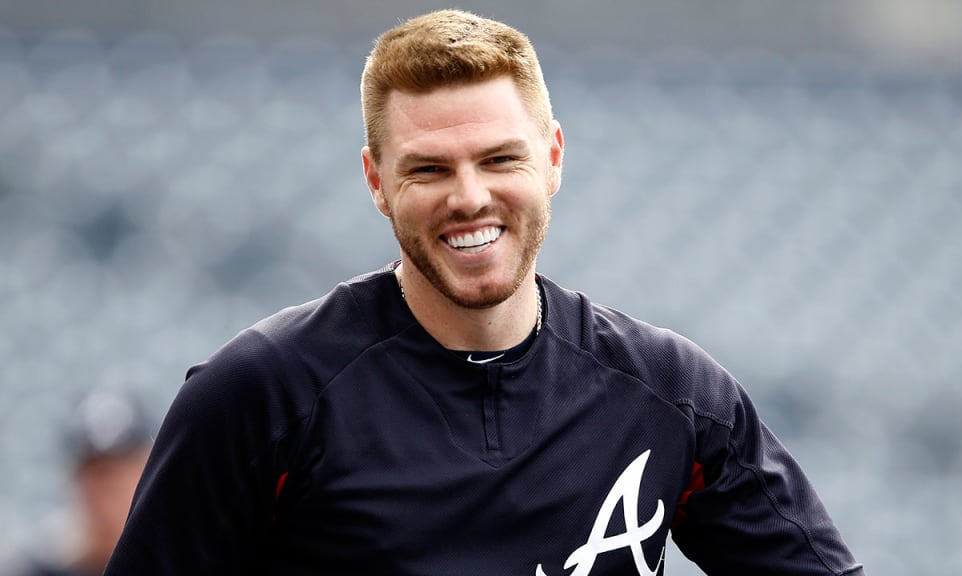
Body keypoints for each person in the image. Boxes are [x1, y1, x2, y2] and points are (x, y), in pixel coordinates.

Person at [105, 9, 863, 576]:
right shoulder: (262, 396)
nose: (470, 198)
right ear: (376, 181)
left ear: (554, 157)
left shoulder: (673, 397)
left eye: (500, 158)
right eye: (429, 169)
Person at [9, 389, 150, 576]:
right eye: (97, 476)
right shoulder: (40, 568)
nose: (109, 493)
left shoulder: (181, 560)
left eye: (120, 473)